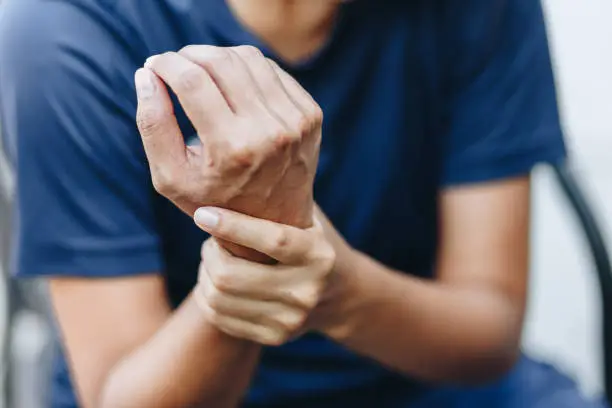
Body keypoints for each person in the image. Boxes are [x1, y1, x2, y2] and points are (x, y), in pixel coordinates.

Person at [0, 0, 607, 407]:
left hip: (427, 381)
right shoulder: (65, 28)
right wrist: (257, 253)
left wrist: (335, 287)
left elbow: (489, 330)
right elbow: (121, 393)